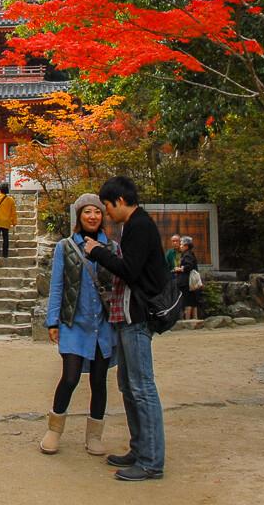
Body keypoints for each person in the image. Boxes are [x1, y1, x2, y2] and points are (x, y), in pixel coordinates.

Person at [85, 175, 168, 482]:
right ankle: (139, 448)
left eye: (107, 206)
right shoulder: (132, 226)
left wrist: (98, 251)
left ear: (120, 201)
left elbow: (130, 270)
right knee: (129, 386)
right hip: (126, 316)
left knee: (142, 387)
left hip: (137, 317)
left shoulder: (140, 226)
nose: (106, 213)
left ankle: (151, 461)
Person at [39, 193, 117, 457]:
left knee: (99, 380)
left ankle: (94, 435)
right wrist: (53, 321)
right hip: (74, 322)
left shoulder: (112, 248)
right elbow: (57, 285)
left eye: (97, 212)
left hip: (103, 324)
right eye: (87, 212)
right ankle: (54, 429)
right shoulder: (66, 246)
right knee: (70, 377)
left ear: (102, 216)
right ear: (79, 215)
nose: (92, 216)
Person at [175, 236, 200, 320]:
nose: (180, 246)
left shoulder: (187, 255)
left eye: (181, 244)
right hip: (188, 281)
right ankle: (194, 319)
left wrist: (179, 269)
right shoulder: (189, 254)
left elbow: (188, 266)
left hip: (186, 281)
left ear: (186, 246)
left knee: (187, 301)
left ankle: (187, 320)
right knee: (192, 301)